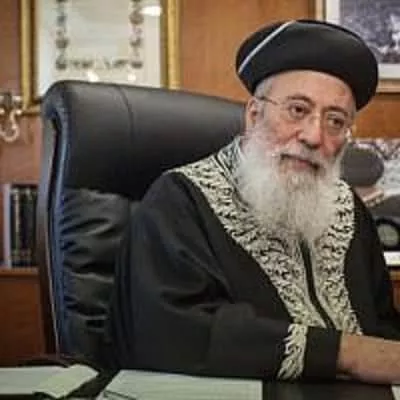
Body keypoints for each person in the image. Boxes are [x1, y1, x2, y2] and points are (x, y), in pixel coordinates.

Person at [106, 19, 400, 383]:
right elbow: (169, 333)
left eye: (335, 121)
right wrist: (345, 353)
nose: (313, 136)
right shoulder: (180, 200)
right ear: (254, 114)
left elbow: (383, 330)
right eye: (297, 110)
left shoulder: (348, 209)